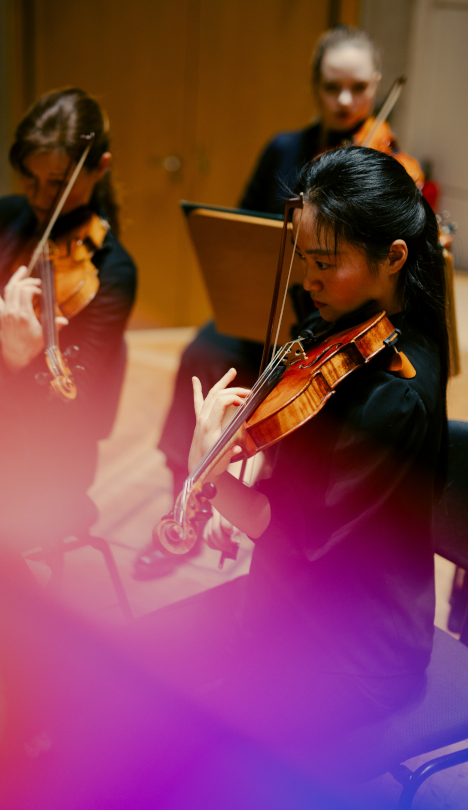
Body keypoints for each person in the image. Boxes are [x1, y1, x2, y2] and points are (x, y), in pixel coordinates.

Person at [128, 146, 448, 764]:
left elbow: (295, 529)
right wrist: (249, 471)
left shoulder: (396, 394)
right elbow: (300, 476)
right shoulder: (337, 324)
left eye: (327, 263)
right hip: (292, 602)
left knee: (183, 738)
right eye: (305, 260)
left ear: (394, 258)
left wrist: (212, 474)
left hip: (354, 649)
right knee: (136, 664)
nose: (308, 281)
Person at [136, 24, 421, 577]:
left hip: (331, 327)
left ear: (376, 86)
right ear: (315, 85)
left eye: (358, 88)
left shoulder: (388, 168)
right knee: (201, 355)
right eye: (332, 87)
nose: (345, 101)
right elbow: (240, 223)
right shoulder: (284, 149)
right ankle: (185, 511)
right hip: (266, 308)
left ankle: (265, 512)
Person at [0, 88, 137, 544]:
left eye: (57, 183)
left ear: (100, 168)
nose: (39, 197)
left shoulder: (112, 273)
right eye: (29, 178)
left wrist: (17, 360)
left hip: (46, 451)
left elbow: (66, 401)